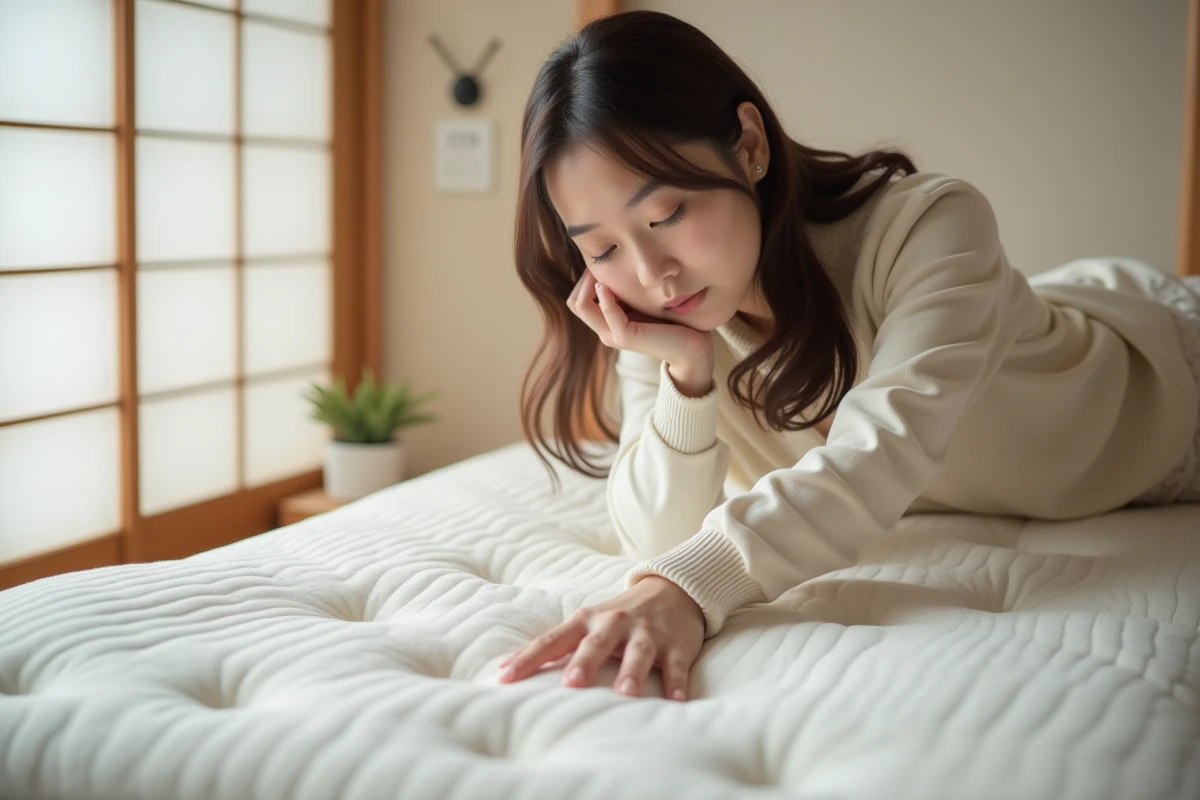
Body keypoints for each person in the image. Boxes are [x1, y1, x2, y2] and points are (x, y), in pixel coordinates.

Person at [497, 10, 1200, 703]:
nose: (652, 272)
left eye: (665, 215)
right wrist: (685, 375)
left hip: (1157, 395)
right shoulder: (661, 317)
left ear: (748, 145)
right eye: (604, 248)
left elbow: (881, 450)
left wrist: (688, 583)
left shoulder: (929, 225)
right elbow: (655, 533)